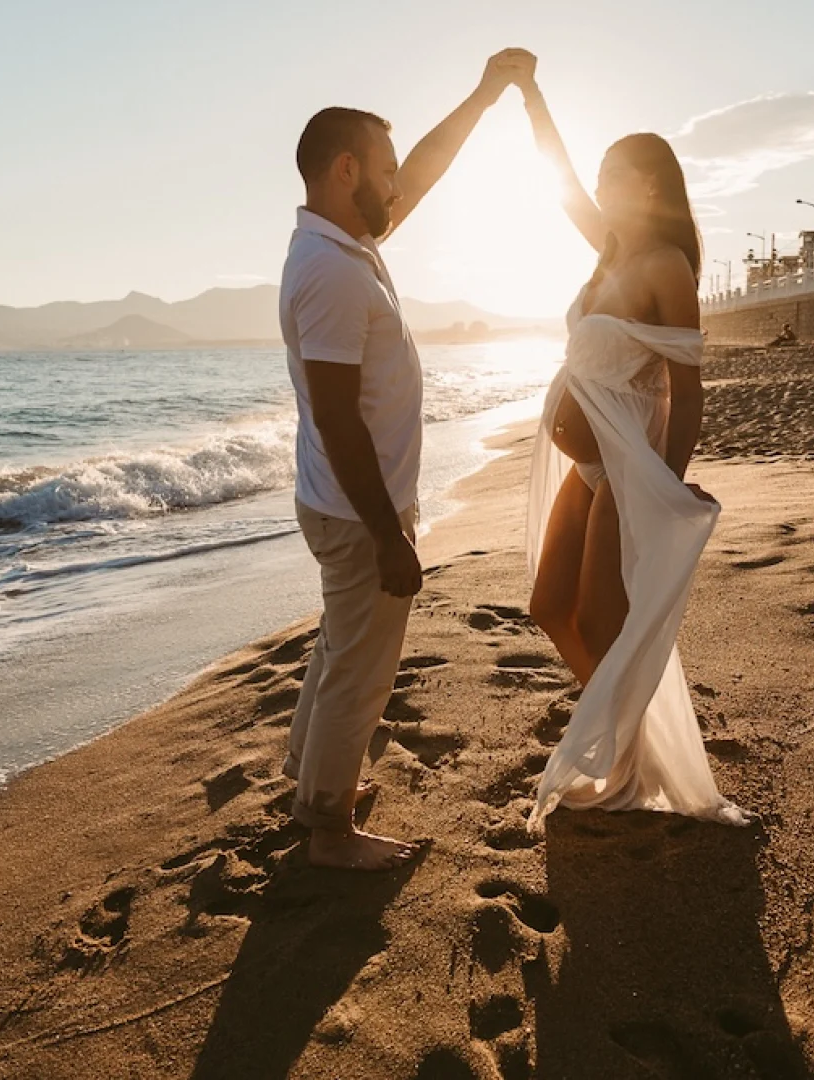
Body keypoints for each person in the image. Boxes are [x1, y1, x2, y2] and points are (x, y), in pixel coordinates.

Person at [279, 50, 533, 871]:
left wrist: (484, 95)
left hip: (344, 501)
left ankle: (308, 784)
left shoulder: (345, 242)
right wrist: (390, 535)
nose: (396, 187)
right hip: (360, 510)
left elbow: (421, 172)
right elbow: (335, 415)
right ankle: (328, 830)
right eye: (381, 172)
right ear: (344, 170)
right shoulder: (329, 270)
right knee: (361, 669)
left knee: (338, 649)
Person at [514, 56, 754, 829]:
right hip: (585, 465)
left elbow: (687, 389)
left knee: (593, 619)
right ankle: (625, 737)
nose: (601, 185)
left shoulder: (665, 266)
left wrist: (663, 482)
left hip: (623, 469)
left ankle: (621, 754)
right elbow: (562, 189)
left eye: (615, 174)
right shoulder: (609, 251)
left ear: (649, 185)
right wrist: (530, 96)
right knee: (547, 606)